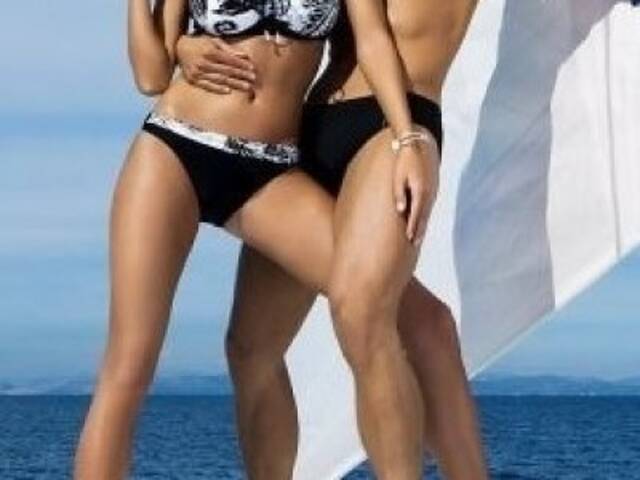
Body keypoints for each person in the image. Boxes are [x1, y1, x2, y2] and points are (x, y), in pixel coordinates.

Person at [74, 1, 438, 479]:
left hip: (272, 171)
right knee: (129, 365)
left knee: (374, 302)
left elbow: (372, 41)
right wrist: (170, 36)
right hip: (175, 147)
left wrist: (406, 138)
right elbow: (150, 75)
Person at [175, 0, 489, 479]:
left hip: (397, 122)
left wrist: (410, 140)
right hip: (313, 124)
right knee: (249, 349)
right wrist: (185, 43)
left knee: (361, 312)